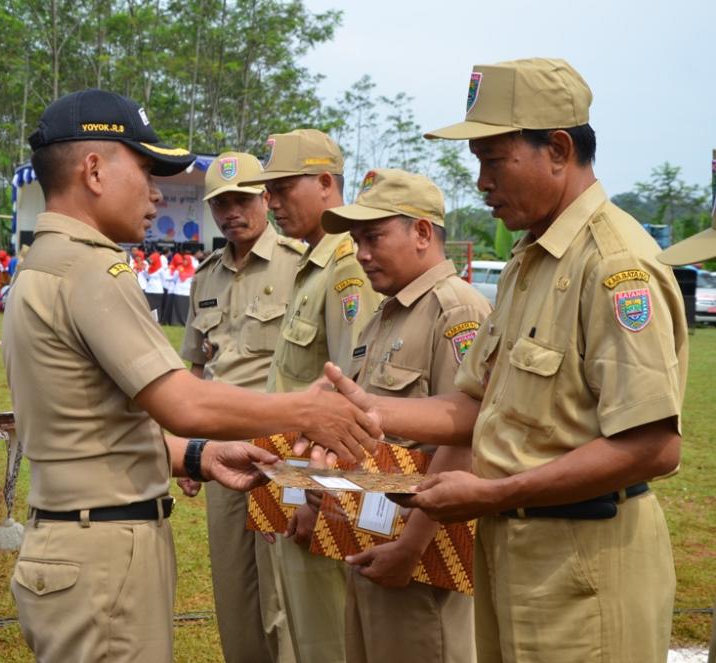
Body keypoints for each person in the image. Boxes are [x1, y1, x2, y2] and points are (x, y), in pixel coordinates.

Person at [318, 58, 687, 663]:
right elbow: (476, 403)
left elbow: (652, 444)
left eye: (494, 160)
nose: (481, 181)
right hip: (514, 551)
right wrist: (372, 410)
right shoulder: (529, 262)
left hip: (586, 561)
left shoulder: (615, 267)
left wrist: (492, 493)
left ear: (559, 149)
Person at [1, 88, 381, 663]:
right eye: (146, 169)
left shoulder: (44, 263)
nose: (155, 192)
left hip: (79, 536)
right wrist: (307, 410)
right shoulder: (91, 269)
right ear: (95, 171)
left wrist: (196, 457)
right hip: (104, 551)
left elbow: (96, 418)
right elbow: (183, 400)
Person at [320, 168, 490, 663]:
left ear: (421, 232)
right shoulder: (387, 313)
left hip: (421, 550)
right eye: (356, 240)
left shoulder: (456, 311)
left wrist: (412, 548)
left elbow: (465, 435)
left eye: (373, 237)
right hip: (371, 532)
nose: (362, 253)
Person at [237, 129, 382, 663]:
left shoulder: (346, 268)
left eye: (281, 188)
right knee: (301, 629)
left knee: (327, 639)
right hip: (293, 483)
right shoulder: (312, 264)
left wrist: (313, 498)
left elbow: (350, 400)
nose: (271, 202)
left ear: (325, 183)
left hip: (320, 495)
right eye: (267, 191)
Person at [178, 151, 305, 663]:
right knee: (233, 585)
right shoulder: (204, 276)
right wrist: (187, 446)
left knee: (284, 588)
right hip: (219, 448)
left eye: (242, 199)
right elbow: (194, 368)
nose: (232, 211)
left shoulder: (300, 266)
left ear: (266, 199)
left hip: (281, 448)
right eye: (221, 203)